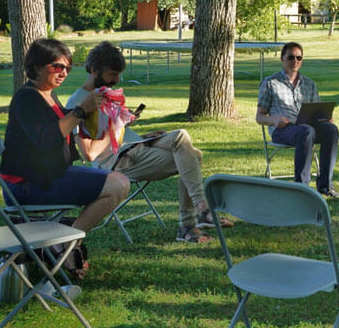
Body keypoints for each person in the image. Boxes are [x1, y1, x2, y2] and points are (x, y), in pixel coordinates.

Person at [67, 41, 232, 244]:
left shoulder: (106, 96)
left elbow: (118, 132)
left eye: (118, 74)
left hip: (134, 147)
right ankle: (194, 219)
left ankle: (196, 216)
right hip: (114, 163)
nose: (117, 80)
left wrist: (141, 135)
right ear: (93, 70)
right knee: (193, 156)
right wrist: (116, 127)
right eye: (112, 74)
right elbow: (89, 155)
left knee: (182, 139)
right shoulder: (78, 103)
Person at [0, 38, 130, 277]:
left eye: (67, 68)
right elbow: (46, 138)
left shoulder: (47, 95)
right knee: (118, 184)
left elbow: (64, 130)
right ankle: (66, 245)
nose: (63, 73)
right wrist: (81, 110)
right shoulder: (26, 98)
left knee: (119, 182)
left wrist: (106, 119)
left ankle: (66, 242)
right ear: (37, 66)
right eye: (56, 66)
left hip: (47, 176)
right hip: (28, 185)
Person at [256, 42, 339, 197]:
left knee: (331, 130)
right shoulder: (270, 83)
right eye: (291, 57)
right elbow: (259, 117)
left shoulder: (309, 84)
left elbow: (316, 110)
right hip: (283, 129)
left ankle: (325, 185)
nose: (295, 61)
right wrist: (274, 119)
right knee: (306, 131)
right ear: (282, 58)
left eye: (299, 58)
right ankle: (302, 187)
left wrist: (325, 118)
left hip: (307, 126)